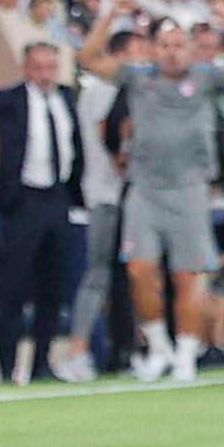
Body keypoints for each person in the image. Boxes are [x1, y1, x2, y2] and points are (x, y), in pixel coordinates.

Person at [81, 14, 224, 385]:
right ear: (153, 49)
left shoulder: (206, 78)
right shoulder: (138, 77)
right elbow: (89, 59)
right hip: (144, 189)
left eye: (179, 45)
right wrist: (110, 16)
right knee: (139, 270)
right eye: (165, 46)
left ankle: (185, 354)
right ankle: (159, 347)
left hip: (190, 189)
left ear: (190, 49)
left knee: (188, 275)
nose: (173, 53)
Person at [0, 40, 85, 384]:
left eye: (52, 67)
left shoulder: (66, 98)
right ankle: (6, 368)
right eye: (40, 68)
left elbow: (75, 146)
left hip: (58, 198)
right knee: (14, 287)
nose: (47, 75)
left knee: (52, 286)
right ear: (26, 69)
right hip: (23, 201)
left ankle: (42, 363)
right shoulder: (9, 100)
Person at [61, 27, 132, 380]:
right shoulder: (104, 88)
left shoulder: (104, 89)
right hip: (108, 194)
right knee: (99, 274)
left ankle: (123, 351)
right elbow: (112, 139)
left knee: (121, 278)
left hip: (115, 194)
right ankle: (78, 350)